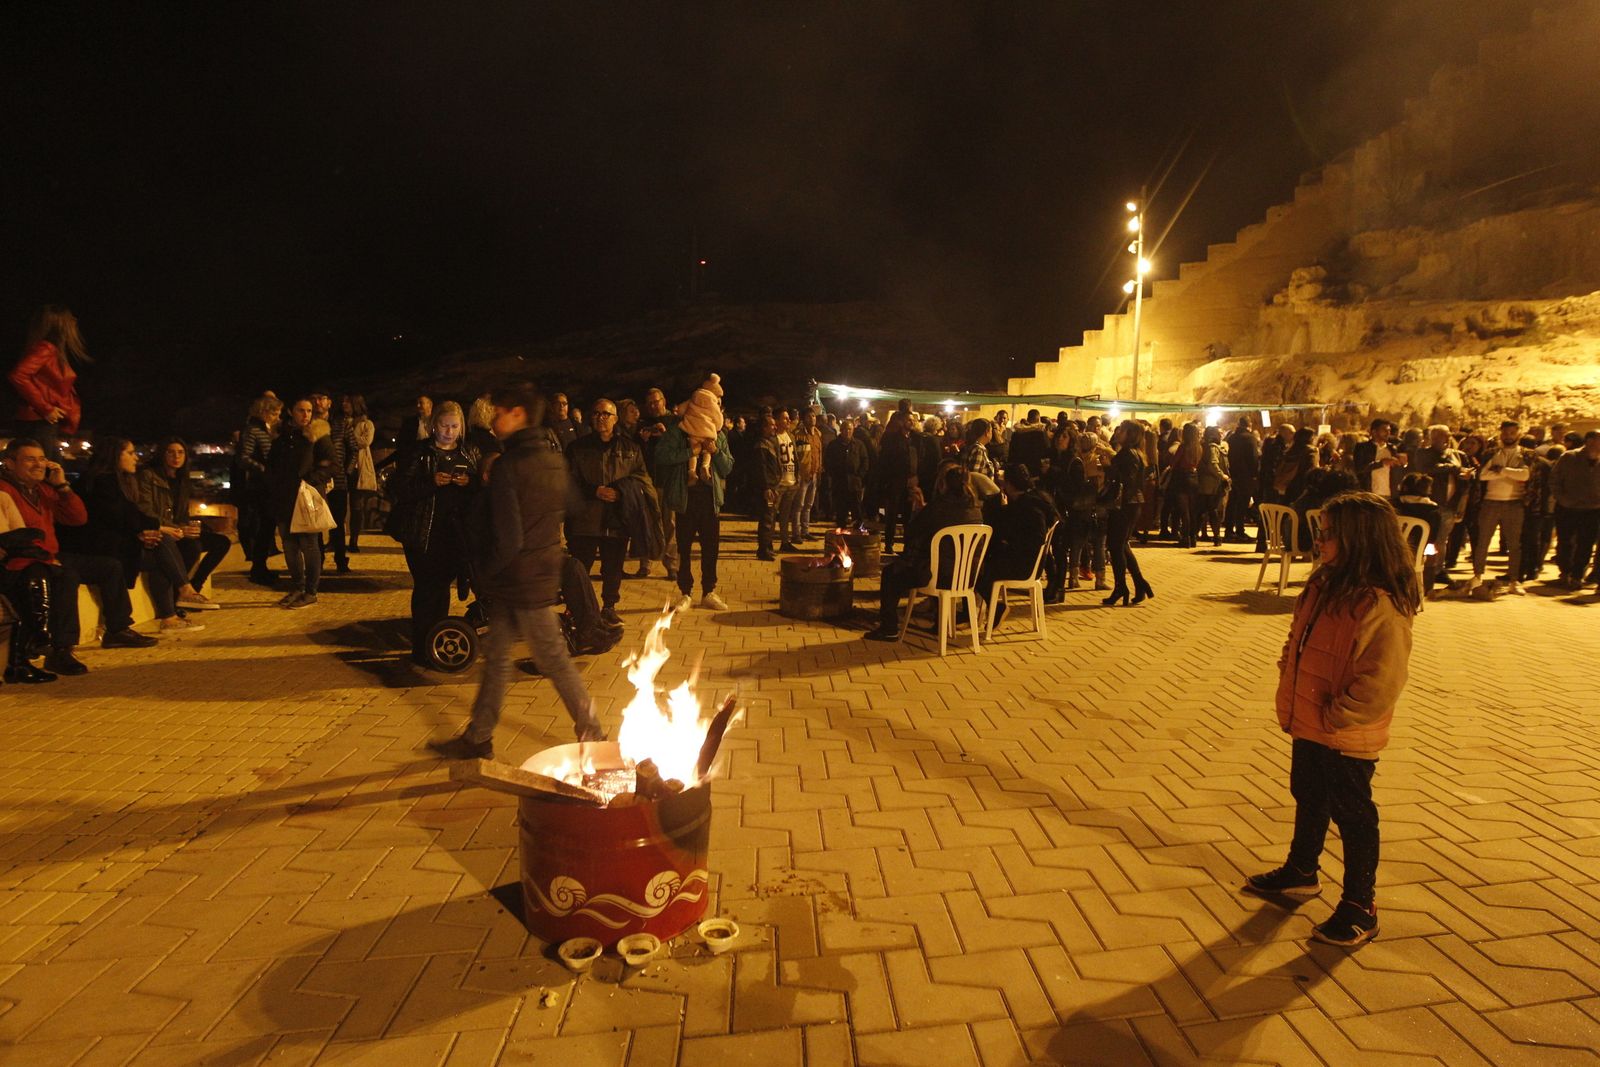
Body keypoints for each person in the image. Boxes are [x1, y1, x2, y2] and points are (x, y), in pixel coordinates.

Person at [1242, 490, 1418, 947]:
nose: (1319, 539)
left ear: (1358, 540)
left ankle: (1361, 904)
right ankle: (1302, 869)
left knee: (1353, 814)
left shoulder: (1379, 602)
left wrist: (1339, 715)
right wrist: (1289, 677)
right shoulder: (1325, 583)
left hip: (1343, 730)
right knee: (1308, 793)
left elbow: (1382, 677)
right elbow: (1298, 639)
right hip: (1310, 718)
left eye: (1328, 533)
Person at [428, 382, 606, 759]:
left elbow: (508, 539)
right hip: (536, 573)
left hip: (518, 579)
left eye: (502, 411)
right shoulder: (554, 460)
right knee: (496, 659)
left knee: (553, 659)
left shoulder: (510, 466)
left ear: (519, 415)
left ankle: (594, 736)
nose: (495, 417)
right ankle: (478, 737)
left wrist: (486, 573)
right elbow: (573, 505)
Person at [2, 438, 157, 675]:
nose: (39, 464)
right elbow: (15, 538)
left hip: (51, 554)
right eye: (30, 459)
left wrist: (62, 486)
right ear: (10, 464)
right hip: (24, 560)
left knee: (109, 566)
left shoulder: (43, 490)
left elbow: (77, 518)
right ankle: (61, 649)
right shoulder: (6, 491)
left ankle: (117, 629)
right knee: (67, 575)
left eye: (42, 458)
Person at [68, 437, 213, 634]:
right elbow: (119, 518)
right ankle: (182, 595)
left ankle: (171, 615)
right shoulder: (102, 482)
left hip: (116, 540)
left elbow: (128, 516)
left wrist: (147, 531)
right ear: (114, 455)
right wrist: (155, 528)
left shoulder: (118, 480)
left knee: (162, 553)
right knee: (163, 545)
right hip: (98, 546)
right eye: (130, 453)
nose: (135, 458)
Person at [393, 401, 482, 665]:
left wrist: (470, 483)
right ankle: (421, 646)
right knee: (425, 589)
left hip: (454, 535)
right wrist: (430, 483)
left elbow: (480, 492)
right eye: (444, 425)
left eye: (454, 426)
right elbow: (401, 489)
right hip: (424, 532)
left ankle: (436, 643)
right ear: (434, 425)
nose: (449, 431)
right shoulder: (420, 453)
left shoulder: (469, 453)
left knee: (441, 590)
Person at [864, 464, 984, 641]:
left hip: (938, 576)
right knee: (939, 560)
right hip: (968, 576)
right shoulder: (975, 510)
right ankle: (941, 622)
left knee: (890, 574)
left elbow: (912, 532)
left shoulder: (938, 507)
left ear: (943, 485)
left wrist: (918, 510)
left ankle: (889, 627)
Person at [566, 397, 652, 627]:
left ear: (615, 419)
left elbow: (641, 478)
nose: (601, 418)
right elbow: (568, 480)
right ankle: (575, 609)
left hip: (617, 516)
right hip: (584, 517)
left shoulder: (631, 449)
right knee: (579, 567)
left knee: (613, 566)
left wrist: (621, 492)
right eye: (596, 413)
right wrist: (594, 491)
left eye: (606, 414)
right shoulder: (577, 448)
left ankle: (609, 607)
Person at [655, 418, 733, 612]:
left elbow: (727, 467)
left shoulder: (718, 434)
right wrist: (690, 452)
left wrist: (715, 451)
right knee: (684, 547)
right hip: (685, 499)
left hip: (710, 500)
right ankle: (685, 593)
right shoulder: (679, 432)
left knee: (710, 547)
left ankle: (709, 591)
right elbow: (662, 456)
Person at [139, 437, 232, 593]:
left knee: (222, 542)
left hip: (179, 530)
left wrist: (188, 526)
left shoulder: (182, 479)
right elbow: (147, 511)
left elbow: (182, 513)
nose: (176, 457)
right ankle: (177, 595)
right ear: (163, 454)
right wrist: (179, 528)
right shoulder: (149, 476)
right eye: (171, 452)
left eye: (180, 453)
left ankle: (195, 586)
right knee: (192, 547)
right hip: (163, 531)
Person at [267, 397, 335, 608]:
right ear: (291, 411)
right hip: (284, 498)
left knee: (309, 545)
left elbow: (331, 465)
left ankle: (311, 591)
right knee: (289, 545)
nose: (305, 415)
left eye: (309, 411)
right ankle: (297, 587)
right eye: (301, 410)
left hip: (306, 497)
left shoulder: (318, 435)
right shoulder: (282, 436)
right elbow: (272, 464)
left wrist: (308, 481)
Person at [978, 464, 1057, 627]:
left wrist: (1008, 542)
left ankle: (996, 608)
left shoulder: (1027, 506)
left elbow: (1034, 537)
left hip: (1024, 564)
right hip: (1029, 561)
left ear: (1009, 484)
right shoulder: (1035, 499)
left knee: (977, 569)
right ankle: (989, 608)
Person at [9, 306, 87, 460]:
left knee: (48, 468)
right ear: (59, 324)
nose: (74, 321)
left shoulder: (49, 349)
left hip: (40, 421)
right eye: (69, 318)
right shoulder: (45, 348)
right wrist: (46, 409)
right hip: (39, 422)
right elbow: (18, 375)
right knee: (44, 469)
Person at [1469, 420, 1533, 595]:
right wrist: (1511, 473)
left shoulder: (1526, 455)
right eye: (1506, 433)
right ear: (1501, 434)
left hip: (1515, 503)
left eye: (1512, 433)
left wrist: (1501, 470)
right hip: (1491, 501)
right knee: (1483, 542)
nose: (1509, 436)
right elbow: (1482, 476)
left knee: (1514, 544)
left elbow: (1525, 475)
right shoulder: (1491, 453)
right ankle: (1478, 575)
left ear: (1518, 434)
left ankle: (1514, 579)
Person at [1103, 421, 1154, 606]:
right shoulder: (1136, 453)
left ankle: (1121, 588)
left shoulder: (1128, 454)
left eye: (1122, 430)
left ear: (1130, 434)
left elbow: (1127, 481)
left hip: (1125, 504)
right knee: (1121, 545)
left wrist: (1109, 467)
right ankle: (1139, 584)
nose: (1118, 432)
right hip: (1132, 503)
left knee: (1115, 546)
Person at [236, 394, 283, 585]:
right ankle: (258, 569)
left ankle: (261, 567)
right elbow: (243, 458)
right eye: (275, 413)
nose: (277, 416)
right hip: (259, 487)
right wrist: (264, 469)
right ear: (264, 412)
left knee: (267, 528)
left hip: (270, 485)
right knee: (262, 528)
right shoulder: (253, 430)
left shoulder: (270, 429)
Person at [636, 387, 681, 581]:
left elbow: (681, 447)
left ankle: (672, 565)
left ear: (664, 401)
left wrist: (666, 436)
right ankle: (645, 564)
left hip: (668, 479)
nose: (654, 406)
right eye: (650, 403)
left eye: (657, 401)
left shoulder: (675, 422)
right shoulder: (644, 424)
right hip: (648, 480)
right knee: (646, 522)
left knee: (670, 523)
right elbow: (640, 455)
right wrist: (644, 440)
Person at [1551, 431, 1600, 589]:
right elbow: (1554, 480)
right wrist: (1562, 498)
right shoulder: (1569, 457)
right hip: (1567, 507)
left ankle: (1578, 575)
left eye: (1598, 441)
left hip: (1592, 510)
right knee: (1565, 542)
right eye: (1591, 440)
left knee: (1585, 544)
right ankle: (1565, 572)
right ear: (1586, 441)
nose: (1594, 444)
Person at [676, 373, 725, 485]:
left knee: (693, 452)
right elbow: (718, 419)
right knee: (707, 451)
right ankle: (705, 468)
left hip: (692, 430)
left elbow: (680, 410)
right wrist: (717, 428)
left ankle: (692, 472)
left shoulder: (694, 396)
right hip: (707, 431)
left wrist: (682, 416)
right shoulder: (713, 402)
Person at [824, 417, 870, 529]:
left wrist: (859, 475)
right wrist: (834, 474)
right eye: (845, 429)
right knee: (841, 512)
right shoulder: (833, 445)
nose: (847, 431)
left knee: (857, 511)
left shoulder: (859, 445)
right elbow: (828, 461)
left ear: (853, 430)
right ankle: (841, 535)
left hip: (855, 483)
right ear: (841, 430)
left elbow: (865, 460)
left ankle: (858, 534)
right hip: (839, 483)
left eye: (849, 429)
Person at [347, 395, 379, 551]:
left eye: (348, 402)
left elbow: (365, 442)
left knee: (356, 506)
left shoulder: (367, 424)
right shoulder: (341, 422)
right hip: (341, 466)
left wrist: (348, 434)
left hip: (357, 468)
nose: (345, 405)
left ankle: (354, 539)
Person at [753, 414, 782, 560]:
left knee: (771, 518)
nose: (775, 427)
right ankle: (763, 549)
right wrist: (766, 487)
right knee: (766, 518)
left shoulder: (770, 442)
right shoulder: (761, 445)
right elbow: (761, 468)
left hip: (773, 486)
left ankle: (768, 546)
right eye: (771, 425)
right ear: (764, 427)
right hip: (767, 488)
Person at [1196, 425, 1231, 547]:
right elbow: (1213, 464)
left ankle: (1193, 536)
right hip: (1211, 484)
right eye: (1218, 433)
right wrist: (1222, 476)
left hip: (1206, 484)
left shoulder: (1206, 447)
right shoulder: (1213, 448)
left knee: (1203, 511)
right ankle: (1216, 537)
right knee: (1212, 511)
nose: (1221, 435)